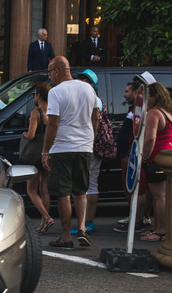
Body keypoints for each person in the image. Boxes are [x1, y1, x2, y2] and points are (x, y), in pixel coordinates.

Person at [41, 56, 99, 249]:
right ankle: (82, 228)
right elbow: (95, 117)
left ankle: (66, 236)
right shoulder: (88, 88)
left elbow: (53, 123)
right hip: (84, 147)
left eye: (50, 73)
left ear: (57, 70)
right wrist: (90, 138)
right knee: (80, 191)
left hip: (62, 148)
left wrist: (45, 151)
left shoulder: (56, 92)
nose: (50, 78)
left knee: (63, 193)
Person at [140, 82, 172, 242]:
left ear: (155, 96)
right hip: (171, 156)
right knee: (163, 196)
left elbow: (150, 138)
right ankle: (158, 227)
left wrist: (145, 157)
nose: (145, 98)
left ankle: (161, 231)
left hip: (157, 157)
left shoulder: (154, 113)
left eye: (147, 95)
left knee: (159, 197)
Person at [113, 81, 151, 233]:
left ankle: (138, 220)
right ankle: (135, 217)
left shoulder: (143, 109)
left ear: (136, 93)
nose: (124, 94)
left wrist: (131, 153)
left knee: (137, 188)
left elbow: (139, 133)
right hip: (127, 153)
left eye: (127, 91)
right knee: (130, 187)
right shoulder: (134, 109)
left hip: (132, 154)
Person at [71, 69, 103, 235]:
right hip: (85, 145)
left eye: (85, 79)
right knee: (84, 185)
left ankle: (87, 222)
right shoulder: (87, 97)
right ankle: (85, 222)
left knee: (88, 185)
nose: (81, 82)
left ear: (92, 84)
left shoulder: (94, 100)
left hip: (88, 147)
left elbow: (94, 122)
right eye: (80, 78)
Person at [23, 82, 53, 233]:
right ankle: (43, 224)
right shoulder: (53, 111)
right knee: (44, 190)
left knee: (31, 190)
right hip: (48, 152)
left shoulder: (36, 113)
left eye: (35, 94)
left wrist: (24, 134)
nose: (34, 97)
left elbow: (31, 135)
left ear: (39, 95)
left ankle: (47, 218)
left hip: (35, 155)